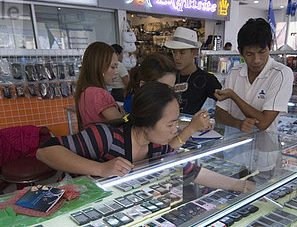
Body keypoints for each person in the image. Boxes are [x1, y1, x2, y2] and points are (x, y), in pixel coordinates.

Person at [37, 82, 254, 193]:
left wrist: (238, 185)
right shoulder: (107, 137)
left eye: (176, 122)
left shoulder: (156, 145)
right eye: (170, 124)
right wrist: (101, 169)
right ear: (146, 122)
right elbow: (45, 151)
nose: (175, 130)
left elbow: (190, 170)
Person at [214, 18, 293, 137]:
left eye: (262, 52)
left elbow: (263, 123)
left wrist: (233, 96)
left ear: (270, 45)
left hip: (264, 150)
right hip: (232, 148)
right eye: (249, 54)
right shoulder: (235, 72)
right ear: (240, 51)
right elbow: (219, 114)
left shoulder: (281, 74)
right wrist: (238, 123)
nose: (256, 60)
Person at [123, 53, 212, 149]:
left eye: (172, 88)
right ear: (143, 85)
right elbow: (164, 152)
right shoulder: (138, 110)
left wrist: (192, 125)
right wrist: (191, 128)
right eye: (164, 88)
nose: (170, 94)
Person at [165, 27, 222, 115]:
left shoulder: (207, 80)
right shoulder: (167, 77)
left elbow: (223, 105)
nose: (177, 57)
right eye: (174, 52)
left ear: (194, 53)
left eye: (182, 52)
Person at [74, 42, 123, 130]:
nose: (116, 72)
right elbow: (122, 125)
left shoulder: (85, 91)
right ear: (99, 67)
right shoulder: (99, 93)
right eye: (113, 67)